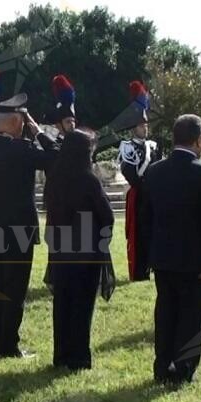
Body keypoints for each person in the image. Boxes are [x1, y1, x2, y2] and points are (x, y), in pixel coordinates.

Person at [0, 92, 59, 358]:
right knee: (15, 289)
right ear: (16, 122)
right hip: (20, 231)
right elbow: (57, 158)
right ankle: (9, 346)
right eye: (23, 119)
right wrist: (39, 132)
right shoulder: (24, 150)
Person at [143, 114, 201, 385]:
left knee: (165, 313)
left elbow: (145, 219)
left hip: (163, 259)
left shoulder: (154, 172)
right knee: (191, 317)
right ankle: (184, 368)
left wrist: (148, 256)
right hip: (195, 262)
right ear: (199, 140)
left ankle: (161, 365)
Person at [44, 129, 114, 370]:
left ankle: (61, 355)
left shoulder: (54, 177)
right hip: (86, 251)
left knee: (62, 303)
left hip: (61, 249)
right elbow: (106, 214)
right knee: (82, 305)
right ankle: (79, 357)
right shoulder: (88, 179)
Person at [115, 81, 159, 282]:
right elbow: (131, 175)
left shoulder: (154, 146)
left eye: (146, 123)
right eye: (142, 125)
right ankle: (139, 271)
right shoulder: (126, 147)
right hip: (139, 195)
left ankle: (155, 265)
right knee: (138, 234)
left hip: (154, 196)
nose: (145, 127)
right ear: (134, 127)